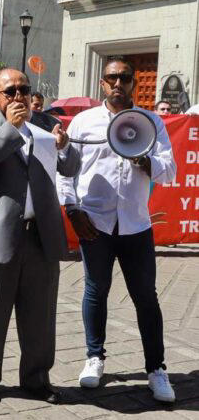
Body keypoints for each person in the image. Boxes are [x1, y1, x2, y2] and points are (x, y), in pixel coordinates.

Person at [58, 57, 177, 403]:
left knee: (146, 298)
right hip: (94, 222)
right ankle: (94, 358)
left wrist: (143, 159)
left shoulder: (151, 122)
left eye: (125, 78)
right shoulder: (83, 123)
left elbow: (168, 171)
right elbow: (65, 170)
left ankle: (156, 369)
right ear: (102, 84)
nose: (118, 84)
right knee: (96, 291)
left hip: (136, 225)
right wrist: (72, 209)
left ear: (134, 83)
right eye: (112, 78)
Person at [0, 68, 81, 407]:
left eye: (24, 89)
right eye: (10, 91)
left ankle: (36, 378)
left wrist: (64, 147)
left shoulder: (44, 123)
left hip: (40, 234)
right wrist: (11, 128)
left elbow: (69, 168)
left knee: (40, 315)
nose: (19, 96)